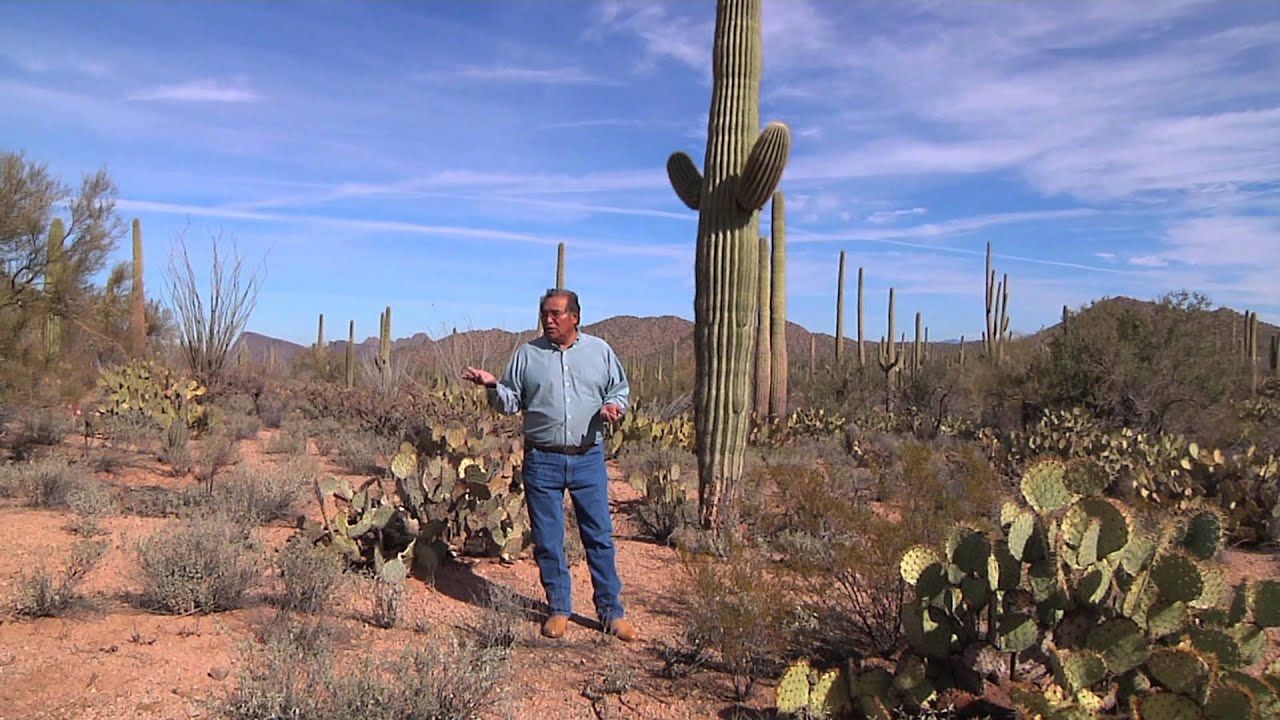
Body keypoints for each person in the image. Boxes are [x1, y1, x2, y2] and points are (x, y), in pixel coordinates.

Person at [462, 289, 638, 642]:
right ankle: (559, 608)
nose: (549, 319)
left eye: (557, 313)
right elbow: (510, 403)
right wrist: (493, 385)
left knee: (599, 536)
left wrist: (614, 407)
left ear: (575, 316)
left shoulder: (600, 352)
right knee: (548, 539)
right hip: (542, 458)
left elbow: (619, 389)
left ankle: (611, 612)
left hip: (588, 457)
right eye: (545, 313)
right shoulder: (528, 355)